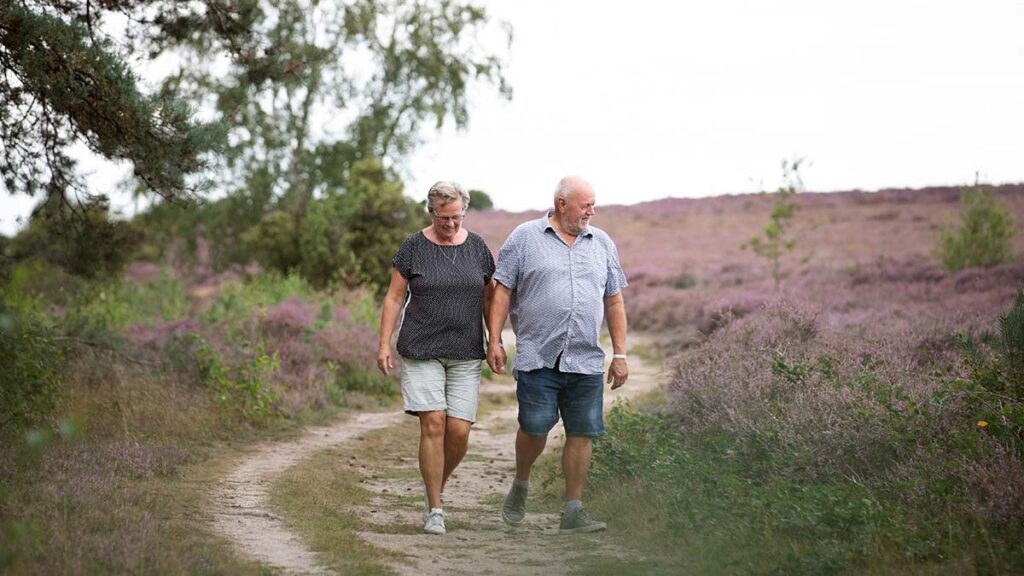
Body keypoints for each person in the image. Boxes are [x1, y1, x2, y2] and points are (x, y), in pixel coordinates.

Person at [486, 175, 629, 534]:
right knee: (535, 427)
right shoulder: (525, 237)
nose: (591, 211)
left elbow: (613, 299)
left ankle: (573, 510)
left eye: (593, 204)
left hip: (585, 358)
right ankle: (521, 483)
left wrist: (621, 353)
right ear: (562, 204)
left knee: (583, 431)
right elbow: (501, 292)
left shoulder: (602, 243)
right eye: (586, 205)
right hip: (538, 355)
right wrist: (495, 340)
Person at [377, 181, 496, 535]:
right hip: (421, 348)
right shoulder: (413, 247)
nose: (451, 225)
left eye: (457, 217)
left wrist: (495, 341)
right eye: (444, 218)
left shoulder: (477, 247)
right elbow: (394, 298)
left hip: (465, 350)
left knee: (458, 433)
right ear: (431, 212)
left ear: (464, 211)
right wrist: (384, 343)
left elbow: (489, 299)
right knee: (433, 424)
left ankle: (434, 487)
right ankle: (435, 508)